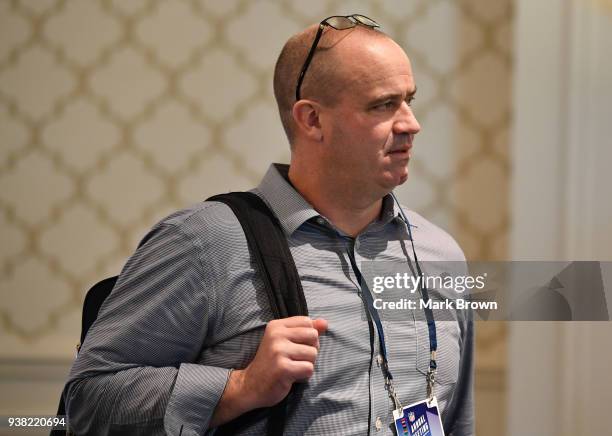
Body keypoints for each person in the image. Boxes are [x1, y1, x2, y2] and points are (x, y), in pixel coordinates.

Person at [64, 15, 473, 435]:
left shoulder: (441, 255)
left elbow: (456, 420)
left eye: (409, 100)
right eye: (383, 105)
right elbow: (86, 402)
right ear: (311, 119)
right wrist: (239, 386)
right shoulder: (205, 243)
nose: (410, 123)